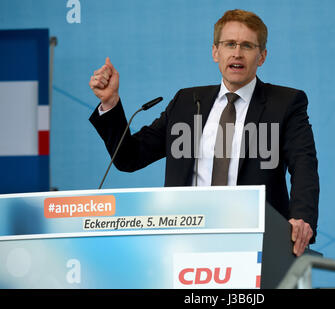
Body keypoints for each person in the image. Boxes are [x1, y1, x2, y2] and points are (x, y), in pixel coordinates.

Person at [89, 9, 319, 257]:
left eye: (247, 46)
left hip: (255, 242)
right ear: (215, 52)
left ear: (261, 56)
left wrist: (301, 219)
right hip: (186, 243)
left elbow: (303, 164)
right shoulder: (186, 102)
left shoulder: (285, 103)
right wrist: (111, 103)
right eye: (229, 44)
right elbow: (129, 157)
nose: (237, 53)